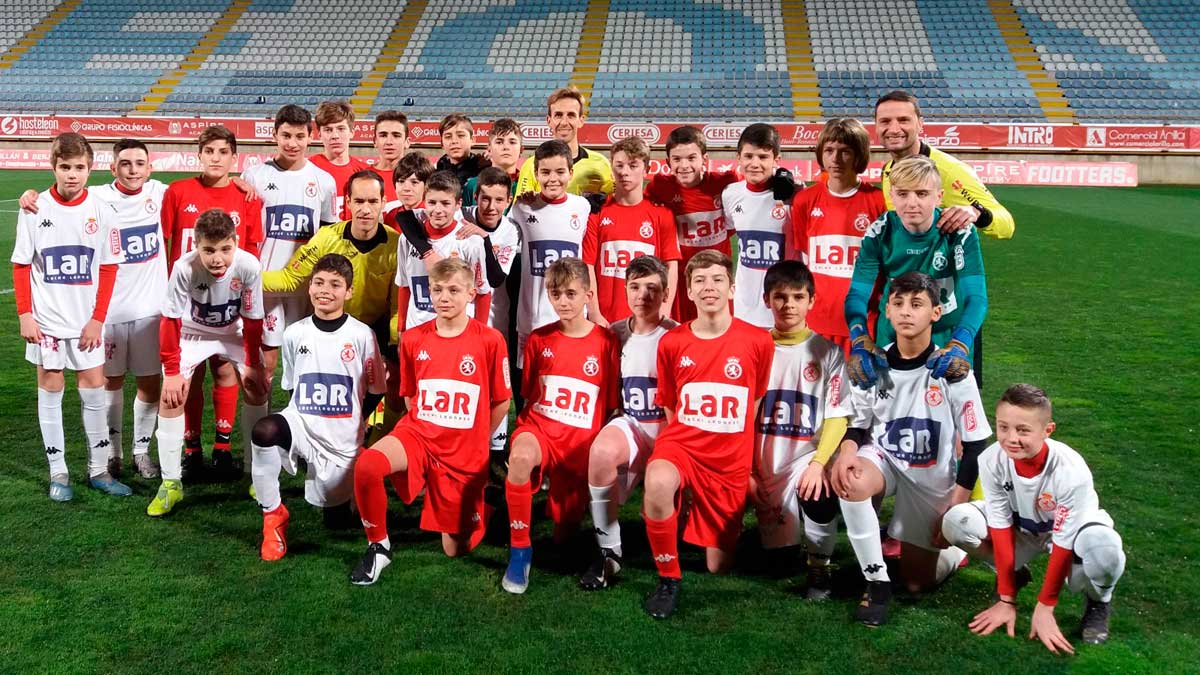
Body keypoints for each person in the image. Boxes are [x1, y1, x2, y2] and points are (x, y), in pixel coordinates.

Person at [830, 271, 991, 626]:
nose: (906, 311)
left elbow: (978, 443)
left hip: (931, 474)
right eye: (898, 303)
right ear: (886, 311)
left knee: (919, 582)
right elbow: (859, 426)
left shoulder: (953, 370)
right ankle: (876, 583)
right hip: (884, 458)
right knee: (852, 480)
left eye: (916, 304)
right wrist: (845, 453)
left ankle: (950, 552)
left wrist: (957, 505)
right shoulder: (871, 363)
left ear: (935, 313)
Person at [349, 258, 511, 585]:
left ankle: (488, 505)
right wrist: (425, 428)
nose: (444, 297)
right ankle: (378, 547)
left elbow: (502, 400)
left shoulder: (490, 340)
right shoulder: (413, 339)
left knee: (456, 548)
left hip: (463, 452)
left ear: (470, 294)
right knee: (368, 465)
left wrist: (477, 440)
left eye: (453, 290)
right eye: (437, 290)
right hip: (419, 435)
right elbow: (411, 396)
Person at [20, 138, 172, 479]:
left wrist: (240, 181)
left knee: (150, 383)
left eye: (139, 163)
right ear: (111, 167)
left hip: (150, 310)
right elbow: (61, 195)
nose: (133, 170)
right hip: (107, 315)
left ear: (150, 167)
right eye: (125, 163)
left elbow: (201, 190)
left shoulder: (161, 193)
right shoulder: (99, 198)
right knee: (109, 383)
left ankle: (140, 451)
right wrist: (31, 196)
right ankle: (113, 455)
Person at [641, 250, 775, 619]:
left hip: (728, 459)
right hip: (683, 445)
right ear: (688, 290)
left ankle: (714, 509)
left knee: (719, 565)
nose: (708, 287)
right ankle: (668, 578)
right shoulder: (671, 342)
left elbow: (754, 402)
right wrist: (677, 451)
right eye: (699, 281)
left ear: (732, 289)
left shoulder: (759, 342)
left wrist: (746, 464)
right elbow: (670, 406)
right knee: (657, 481)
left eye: (717, 280)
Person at [941, 384, 1125, 651]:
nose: (1011, 438)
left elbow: (1063, 541)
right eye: (1003, 427)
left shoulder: (1071, 471)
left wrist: (1045, 606)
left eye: (1023, 430)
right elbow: (1000, 526)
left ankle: (1099, 600)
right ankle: (1014, 576)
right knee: (956, 522)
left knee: (1105, 549)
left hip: (1070, 536)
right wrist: (1006, 599)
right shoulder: (992, 460)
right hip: (1023, 530)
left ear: (1047, 430)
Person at [12, 132, 127, 500]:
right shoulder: (33, 207)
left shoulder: (105, 211)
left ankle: (99, 470)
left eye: (79, 167)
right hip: (46, 322)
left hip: (85, 325)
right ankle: (58, 473)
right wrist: (25, 315)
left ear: (90, 168)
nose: (72, 175)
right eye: (65, 167)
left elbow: (109, 269)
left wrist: (97, 319)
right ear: (54, 167)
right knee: (50, 390)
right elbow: (20, 265)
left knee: (93, 389)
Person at [250, 253, 386, 561]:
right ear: (309, 286)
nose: (325, 290)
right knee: (265, 430)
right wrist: (293, 429)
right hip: (302, 423)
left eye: (335, 284)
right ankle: (273, 517)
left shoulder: (362, 335)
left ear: (349, 292)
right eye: (319, 282)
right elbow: (293, 387)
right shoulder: (294, 333)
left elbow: (376, 390)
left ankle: (350, 487)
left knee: (336, 521)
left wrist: (359, 425)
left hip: (341, 437)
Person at [875, 89, 1014, 376]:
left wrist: (976, 214)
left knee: (953, 403)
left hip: (948, 312)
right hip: (904, 309)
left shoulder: (950, 171)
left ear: (920, 123)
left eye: (903, 119)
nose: (894, 128)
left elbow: (1006, 222)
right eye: (885, 121)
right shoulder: (888, 171)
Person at [502, 257, 620, 594]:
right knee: (521, 459)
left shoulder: (607, 341)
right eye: (555, 294)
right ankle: (520, 550)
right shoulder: (539, 339)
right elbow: (529, 396)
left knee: (565, 536)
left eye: (571, 293)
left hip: (580, 442)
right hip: (540, 429)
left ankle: (569, 515)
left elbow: (609, 403)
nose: (563, 302)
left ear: (588, 295)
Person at [262, 170, 402, 437]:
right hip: (333, 326)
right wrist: (240, 275)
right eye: (358, 201)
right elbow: (290, 279)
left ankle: (381, 444)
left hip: (376, 327)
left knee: (393, 384)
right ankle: (311, 434)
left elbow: (397, 305)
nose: (365, 209)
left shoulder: (396, 245)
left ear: (384, 202)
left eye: (373, 202)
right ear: (347, 202)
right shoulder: (327, 238)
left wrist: (394, 345)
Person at [149, 209, 270, 516]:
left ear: (236, 243)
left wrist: (253, 364)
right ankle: (171, 484)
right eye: (209, 250)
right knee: (171, 396)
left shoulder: (248, 265)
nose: (218, 259)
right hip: (192, 332)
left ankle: (258, 475)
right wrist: (173, 372)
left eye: (225, 249)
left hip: (233, 332)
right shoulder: (184, 268)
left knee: (257, 389)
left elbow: (253, 321)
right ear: (196, 245)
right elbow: (170, 321)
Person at [750, 260, 850, 600]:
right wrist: (744, 469)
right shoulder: (754, 347)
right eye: (780, 297)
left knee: (820, 493)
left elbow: (838, 416)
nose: (788, 305)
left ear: (811, 300)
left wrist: (820, 463)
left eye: (797, 297)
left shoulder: (828, 352)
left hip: (805, 463)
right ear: (766, 300)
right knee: (775, 563)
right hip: (761, 465)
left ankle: (819, 567)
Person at [843, 156, 988, 391]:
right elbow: (857, 295)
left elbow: (977, 298)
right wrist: (859, 339)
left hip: (947, 340)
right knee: (887, 420)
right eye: (902, 194)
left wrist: (961, 343)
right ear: (891, 196)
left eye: (921, 194)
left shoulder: (960, 232)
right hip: (893, 340)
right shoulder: (879, 232)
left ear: (938, 196)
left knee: (952, 421)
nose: (912, 203)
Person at [579, 255, 677, 590]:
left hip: (670, 434)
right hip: (633, 426)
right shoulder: (614, 334)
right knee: (601, 453)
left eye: (652, 288)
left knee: (705, 550)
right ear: (624, 290)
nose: (642, 295)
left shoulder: (678, 337)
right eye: (634, 287)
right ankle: (609, 552)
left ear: (666, 293)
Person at [240, 104, 338, 387]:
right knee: (265, 365)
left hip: (305, 288)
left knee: (304, 363)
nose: (292, 143)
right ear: (275, 135)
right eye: (286, 135)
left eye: (299, 136)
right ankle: (262, 429)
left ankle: (298, 427)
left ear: (310, 137)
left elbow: (328, 234)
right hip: (267, 285)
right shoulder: (254, 176)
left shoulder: (324, 181)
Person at [790, 118, 886, 352]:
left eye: (845, 152)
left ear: (859, 156)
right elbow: (806, 256)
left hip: (863, 325)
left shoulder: (879, 202)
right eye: (829, 150)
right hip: (816, 322)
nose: (835, 159)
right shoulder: (804, 201)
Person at [504, 140, 592, 385]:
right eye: (545, 172)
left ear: (571, 173)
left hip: (572, 317)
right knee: (530, 389)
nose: (553, 178)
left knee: (569, 382)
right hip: (531, 319)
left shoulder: (582, 207)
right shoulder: (522, 207)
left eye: (560, 172)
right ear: (535, 174)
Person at [582, 136, 680, 326]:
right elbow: (588, 266)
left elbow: (671, 267)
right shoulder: (596, 212)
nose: (624, 172)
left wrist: (664, 310)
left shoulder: (662, 214)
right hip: (604, 320)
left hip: (648, 320)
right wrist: (594, 313)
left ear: (647, 170)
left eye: (633, 166)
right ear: (611, 167)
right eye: (619, 165)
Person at [645, 126, 737, 323]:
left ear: (704, 159)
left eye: (691, 158)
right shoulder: (660, 187)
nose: (684, 165)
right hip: (681, 281)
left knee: (719, 331)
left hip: (717, 278)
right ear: (668, 162)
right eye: (677, 159)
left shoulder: (725, 183)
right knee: (682, 330)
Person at [393, 171, 492, 331]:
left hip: (458, 332)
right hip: (417, 329)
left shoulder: (471, 243)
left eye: (445, 203)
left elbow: (482, 292)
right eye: (432, 203)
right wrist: (401, 329)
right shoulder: (406, 239)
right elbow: (405, 286)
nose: (438, 210)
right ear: (424, 202)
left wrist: (480, 334)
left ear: (458, 204)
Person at [722, 123, 795, 329]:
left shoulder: (793, 196)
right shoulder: (730, 194)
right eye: (748, 156)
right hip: (744, 308)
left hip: (783, 309)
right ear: (738, 158)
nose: (755, 163)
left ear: (776, 160)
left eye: (763, 157)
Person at [514, 87, 613, 198]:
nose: (564, 122)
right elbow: (521, 209)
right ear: (549, 120)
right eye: (558, 115)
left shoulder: (601, 163)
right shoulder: (531, 165)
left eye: (571, 115)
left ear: (581, 120)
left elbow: (612, 206)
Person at [310, 100, 368, 220]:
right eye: (328, 130)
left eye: (341, 129)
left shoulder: (365, 172)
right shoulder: (308, 169)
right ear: (319, 134)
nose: (335, 136)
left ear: (352, 132)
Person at [464, 118, 523, 206]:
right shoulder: (472, 185)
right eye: (499, 142)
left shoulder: (527, 184)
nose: (506, 147)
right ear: (489, 149)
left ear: (521, 149)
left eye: (512, 142)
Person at [436, 113, 487, 188]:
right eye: (448, 137)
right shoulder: (435, 174)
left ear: (472, 140)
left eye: (460, 135)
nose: (454, 141)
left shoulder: (485, 171)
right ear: (442, 144)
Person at [371, 110, 409, 207]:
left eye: (396, 135)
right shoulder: (363, 178)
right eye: (383, 135)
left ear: (407, 142)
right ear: (375, 141)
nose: (389, 142)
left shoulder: (422, 179)